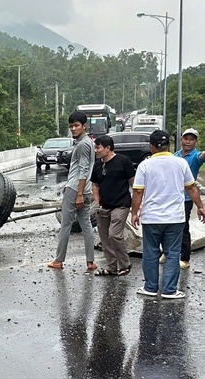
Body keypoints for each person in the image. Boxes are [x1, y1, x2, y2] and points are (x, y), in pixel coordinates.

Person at [131, 128, 205, 299]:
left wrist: (134, 213)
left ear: (151, 147)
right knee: (172, 253)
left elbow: (137, 192)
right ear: (169, 145)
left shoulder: (145, 165)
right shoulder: (180, 163)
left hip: (151, 218)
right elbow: (191, 188)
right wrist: (200, 207)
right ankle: (169, 290)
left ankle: (150, 287)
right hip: (175, 218)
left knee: (150, 252)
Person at [47, 111, 96, 271]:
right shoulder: (88, 142)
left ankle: (58, 260)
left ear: (84, 126)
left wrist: (79, 194)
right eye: (71, 126)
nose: (73, 129)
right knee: (86, 224)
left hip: (76, 189)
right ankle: (90, 261)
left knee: (66, 225)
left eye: (76, 126)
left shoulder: (82, 145)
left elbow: (82, 170)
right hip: (85, 189)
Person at [90, 134, 134, 276]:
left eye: (98, 147)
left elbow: (133, 181)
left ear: (108, 148)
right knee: (104, 238)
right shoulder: (97, 165)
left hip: (121, 204)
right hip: (104, 206)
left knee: (114, 234)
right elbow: (95, 185)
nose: (96, 150)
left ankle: (125, 264)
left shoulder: (123, 161)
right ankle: (111, 267)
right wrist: (97, 202)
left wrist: (137, 203)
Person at [174, 127, 205, 268]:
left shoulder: (196, 157)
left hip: (186, 198)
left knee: (183, 226)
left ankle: (185, 258)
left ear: (196, 142)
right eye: (186, 138)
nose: (188, 142)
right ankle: (168, 253)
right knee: (168, 226)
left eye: (192, 139)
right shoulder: (175, 155)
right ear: (181, 139)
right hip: (172, 196)